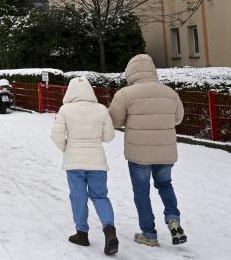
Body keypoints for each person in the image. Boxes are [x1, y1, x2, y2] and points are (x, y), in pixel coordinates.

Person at [109, 54, 186, 247]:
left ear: (130, 72)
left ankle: (149, 234)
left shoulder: (125, 94)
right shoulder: (170, 93)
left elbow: (115, 121)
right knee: (165, 185)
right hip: (165, 152)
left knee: (141, 192)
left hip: (139, 154)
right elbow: (178, 118)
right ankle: (173, 218)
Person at [51, 77, 119, 256]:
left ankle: (82, 233)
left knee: (78, 197)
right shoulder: (101, 109)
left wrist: (67, 149)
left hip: (74, 162)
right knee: (100, 196)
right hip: (97, 161)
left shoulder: (65, 110)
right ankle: (109, 229)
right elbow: (109, 136)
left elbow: (56, 136)